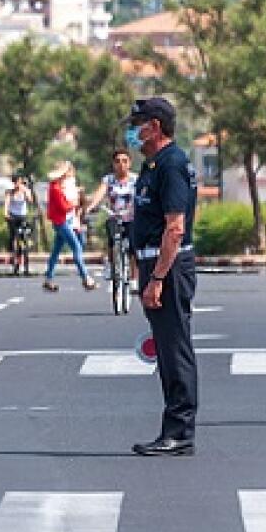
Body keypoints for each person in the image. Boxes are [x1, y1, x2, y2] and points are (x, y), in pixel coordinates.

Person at [125, 98, 199, 457]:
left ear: (154, 126)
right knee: (167, 352)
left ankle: (180, 431)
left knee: (174, 350)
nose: (133, 132)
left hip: (167, 268)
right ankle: (174, 427)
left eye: (137, 124)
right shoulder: (154, 165)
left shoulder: (172, 164)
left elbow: (175, 229)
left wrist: (156, 279)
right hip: (155, 264)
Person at [85, 148, 138, 291]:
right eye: (117, 161)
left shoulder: (136, 179)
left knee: (133, 246)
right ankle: (111, 265)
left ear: (130, 163)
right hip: (114, 215)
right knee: (112, 239)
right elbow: (100, 193)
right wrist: (91, 207)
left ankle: (133, 278)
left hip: (131, 217)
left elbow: (142, 195)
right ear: (113, 164)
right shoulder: (108, 180)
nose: (121, 164)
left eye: (124, 161)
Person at [43, 161, 96, 293]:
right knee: (77, 247)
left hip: (65, 221)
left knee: (56, 251)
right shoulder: (55, 188)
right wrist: (73, 204)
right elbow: (64, 207)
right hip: (61, 222)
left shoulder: (59, 187)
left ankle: (48, 279)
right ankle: (86, 278)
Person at [4, 175, 32, 274]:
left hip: (22, 217)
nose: (16, 184)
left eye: (18, 182)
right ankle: (14, 260)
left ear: (21, 181)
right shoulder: (10, 192)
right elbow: (6, 204)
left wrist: (25, 191)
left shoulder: (25, 190)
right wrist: (6, 213)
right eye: (15, 182)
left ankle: (25, 264)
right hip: (13, 217)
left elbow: (30, 201)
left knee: (24, 241)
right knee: (13, 239)